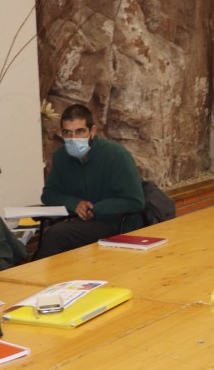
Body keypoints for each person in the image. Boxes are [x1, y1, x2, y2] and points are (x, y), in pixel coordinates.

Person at [34, 103, 145, 259]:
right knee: (56, 234)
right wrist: (75, 203)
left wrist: (94, 208)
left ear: (92, 131)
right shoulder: (61, 156)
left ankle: (37, 279)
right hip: (77, 220)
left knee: (57, 234)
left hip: (115, 222)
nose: (73, 139)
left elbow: (135, 201)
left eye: (79, 132)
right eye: (67, 133)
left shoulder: (115, 155)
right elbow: (49, 195)